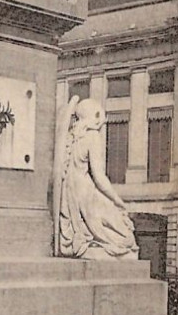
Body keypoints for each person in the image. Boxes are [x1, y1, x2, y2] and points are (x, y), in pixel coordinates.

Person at [56, 97, 139, 260]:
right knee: (127, 239)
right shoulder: (93, 136)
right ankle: (98, 245)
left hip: (70, 192)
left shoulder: (71, 137)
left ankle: (93, 244)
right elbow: (99, 178)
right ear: (95, 115)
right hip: (86, 192)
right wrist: (117, 200)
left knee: (108, 228)